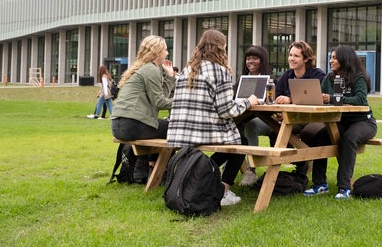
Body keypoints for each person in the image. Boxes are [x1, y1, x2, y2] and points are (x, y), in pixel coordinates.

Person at [167, 29, 259, 206]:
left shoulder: (188, 69)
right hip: (202, 130)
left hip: (180, 131)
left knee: (235, 142)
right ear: (221, 48)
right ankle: (223, 190)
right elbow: (226, 111)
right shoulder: (220, 72)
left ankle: (201, 175)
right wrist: (249, 101)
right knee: (241, 143)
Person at [302, 45, 377, 199]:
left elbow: (361, 100)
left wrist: (334, 99)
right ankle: (320, 184)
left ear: (345, 59)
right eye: (330, 58)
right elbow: (321, 97)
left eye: (334, 58)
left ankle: (344, 188)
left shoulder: (358, 77)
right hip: (340, 122)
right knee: (319, 137)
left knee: (349, 138)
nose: (331, 61)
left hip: (363, 122)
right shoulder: (328, 78)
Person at [111, 35, 175, 166]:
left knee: (163, 126)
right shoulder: (151, 69)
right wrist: (184, 104)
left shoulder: (143, 68)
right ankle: (160, 172)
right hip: (132, 125)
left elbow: (160, 97)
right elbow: (160, 102)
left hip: (119, 125)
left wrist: (169, 77)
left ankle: (146, 169)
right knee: (176, 128)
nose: (167, 53)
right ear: (157, 51)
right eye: (165, 50)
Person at [274, 41, 325, 175]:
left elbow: (316, 96)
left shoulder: (318, 75)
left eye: (296, 56)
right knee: (275, 130)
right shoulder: (287, 75)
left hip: (315, 118)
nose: (291, 59)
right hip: (294, 118)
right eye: (290, 55)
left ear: (306, 58)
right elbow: (277, 96)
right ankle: (300, 163)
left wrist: (290, 99)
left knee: (308, 133)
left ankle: (307, 163)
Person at [238, 45, 276, 186]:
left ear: (262, 61)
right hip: (242, 117)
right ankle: (229, 162)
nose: (250, 61)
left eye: (255, 58)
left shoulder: (271, 80)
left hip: (267, 121)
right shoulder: (241, 80)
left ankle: (251, 171)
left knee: (251, 125)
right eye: (248, 58)